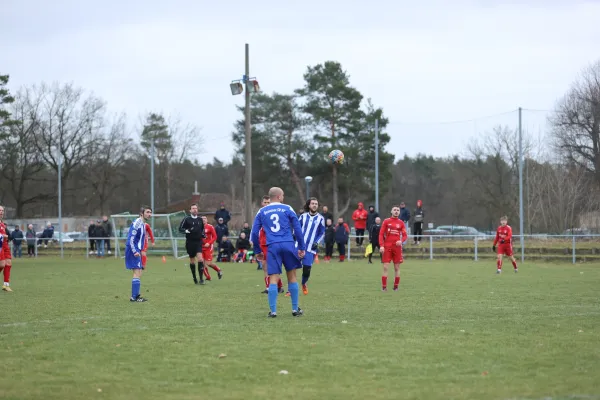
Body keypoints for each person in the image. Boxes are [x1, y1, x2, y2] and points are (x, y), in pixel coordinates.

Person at [250, 187, 306, 318]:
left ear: (270, 198)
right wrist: (301, 247)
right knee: (292, 277)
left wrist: (258, 250)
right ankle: (294, 309)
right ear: (280, 197)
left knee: (273, 278)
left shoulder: (262, 211)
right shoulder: (288, 208)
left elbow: (254, 232)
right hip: (288, 244)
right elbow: (297, 228)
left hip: (272, 246)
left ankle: (273, 311)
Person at [298, 197, 326, 295]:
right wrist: (294, 237)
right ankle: (290, 289)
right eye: (313, 203)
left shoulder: (320, 218)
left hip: (310, 248)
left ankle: (303, 283)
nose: (314, 205)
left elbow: (322, 232)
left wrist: (317, 242)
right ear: (309, 205)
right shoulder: (303, 216)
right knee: (292, 268)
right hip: (298, 246)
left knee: (307, 269)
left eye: (316, 204)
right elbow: (297, 228)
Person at [125, 206, 153, 302]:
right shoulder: (137, 223)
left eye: (150, 212)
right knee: (137, 272)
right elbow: (130, 239)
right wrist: (135, 251)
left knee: (139, 272)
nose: (150, 214)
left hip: (137, 249)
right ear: (142, 213)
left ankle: (136, 296)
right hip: (133, 250)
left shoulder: (143, 224)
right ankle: (134, 297)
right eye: (148, 212)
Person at [257, 195, 283, 294]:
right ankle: (276, 286)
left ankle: (273, 286)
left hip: (271, 242)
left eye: (269, 202)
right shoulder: (260, 213)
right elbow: (256, 228)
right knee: (264, 265)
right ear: (262, 203)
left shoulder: (274, 213)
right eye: (265, 202)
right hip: (262, 242)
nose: (267, 204)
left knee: (270, 265)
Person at [379, 206, 408, 292]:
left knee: (397, 267)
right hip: (387, 246)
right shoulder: (386, 221)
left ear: (399, 212)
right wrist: (381, 245)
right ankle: (384, 287)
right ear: (391, 211)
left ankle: (396, 287)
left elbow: (405, 235)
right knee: (385, 267)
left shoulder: (401, 223)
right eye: (394, 210)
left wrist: (401, 241)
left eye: (398, 210)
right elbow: (381, 234)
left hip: (397, 248)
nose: (396, 211)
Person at [179, 203, 206, 285]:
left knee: (200, 259)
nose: (194, 209)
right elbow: (180, 229)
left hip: (198, 242)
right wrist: (186, 231)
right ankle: (194, 277)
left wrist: (203, 234)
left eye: (196, 208)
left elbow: (202, 229)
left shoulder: (200, 219)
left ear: (197, 210)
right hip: (190, 242)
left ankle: (201, 279)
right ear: (190, 210)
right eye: (193, 208)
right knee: (192, 261)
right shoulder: (186, 219)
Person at [201, 215, 223, 280]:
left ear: (207, 220)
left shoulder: (210, 227)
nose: (203, 220)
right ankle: (208, 277)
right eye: (202, 219)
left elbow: (215, 237)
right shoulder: (198, 227)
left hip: (208, 248)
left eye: (205, 218)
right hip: (200, 247)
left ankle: (219, 270)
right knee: (201, 263)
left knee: (209, 263)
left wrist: (209, 243)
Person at [0, 206, 13, 292]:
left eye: (2, 210)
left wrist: (9, 236)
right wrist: (3, 236)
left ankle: (6, 285)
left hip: (5, 245)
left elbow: (7, 234)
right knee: (2, 265)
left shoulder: (2, 223)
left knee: (9, 263)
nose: (1, 212)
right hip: (0, 245)